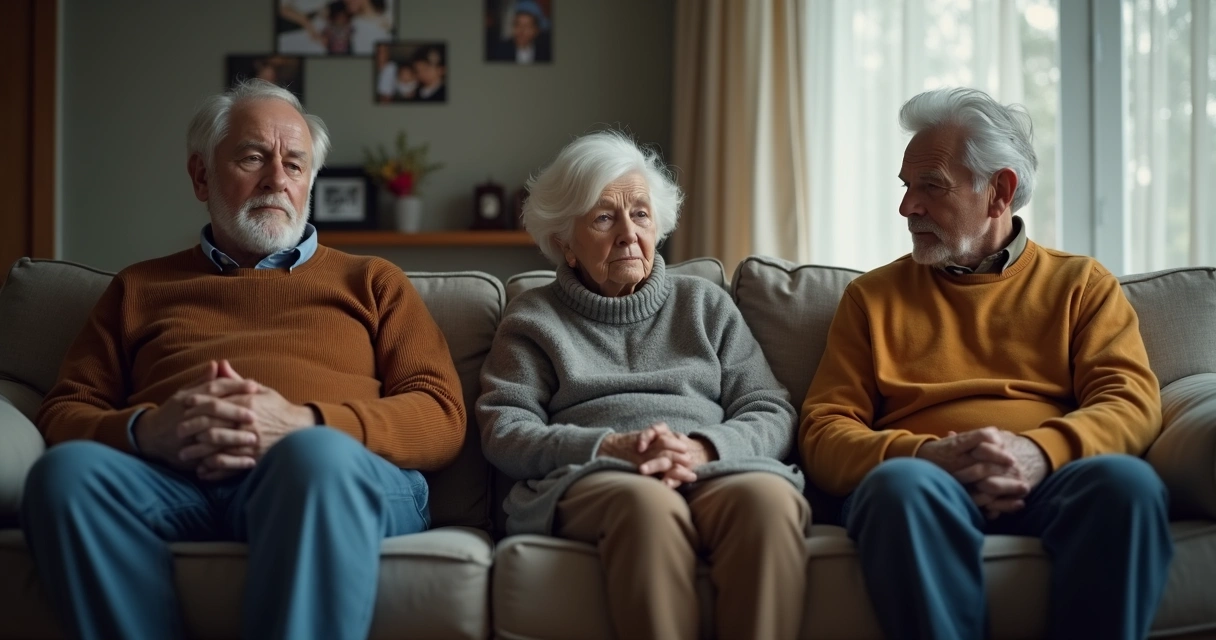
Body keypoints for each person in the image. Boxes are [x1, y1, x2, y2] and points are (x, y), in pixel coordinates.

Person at [20, 78, 466, 640]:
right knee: (65, 476)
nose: (277, 180)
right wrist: (147, 432)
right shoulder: (139, 287)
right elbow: (65, 410)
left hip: (330, 478)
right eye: (254, 157)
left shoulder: (372, 281)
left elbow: (442, 412)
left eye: (295, 165)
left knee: (314, 460)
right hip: (173, 481)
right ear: (201, 174)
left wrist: (306, 424)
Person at [800, 87, 1173, 640]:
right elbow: (824, 430)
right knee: (899, 489)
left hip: (1054, 479)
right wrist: (928, 456)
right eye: (907, 188)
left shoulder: (1080, 285)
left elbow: (1131, 402)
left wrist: (1040, 452)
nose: (907, 207)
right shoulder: (871, 298)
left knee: (1128, 485)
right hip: (924, 484)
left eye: (930, 186)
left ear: (1000, 191)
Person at [477, 131, 810, 640]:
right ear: (566, 242)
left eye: (640, 214)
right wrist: (609, 447)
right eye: (604, 217)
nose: (628, 233)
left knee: (768, 501)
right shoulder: (534, 318)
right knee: (647, 505)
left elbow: (768, 407)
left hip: (711, 467)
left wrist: (703, 448)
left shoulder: (705, 305)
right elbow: (505, 428)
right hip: (598, 477)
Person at [488, 1, 552, 64]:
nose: (521, 31)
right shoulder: (499, 51)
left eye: (527, 26)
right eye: (517, 24)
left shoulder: (545, 53)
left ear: (536, 30)